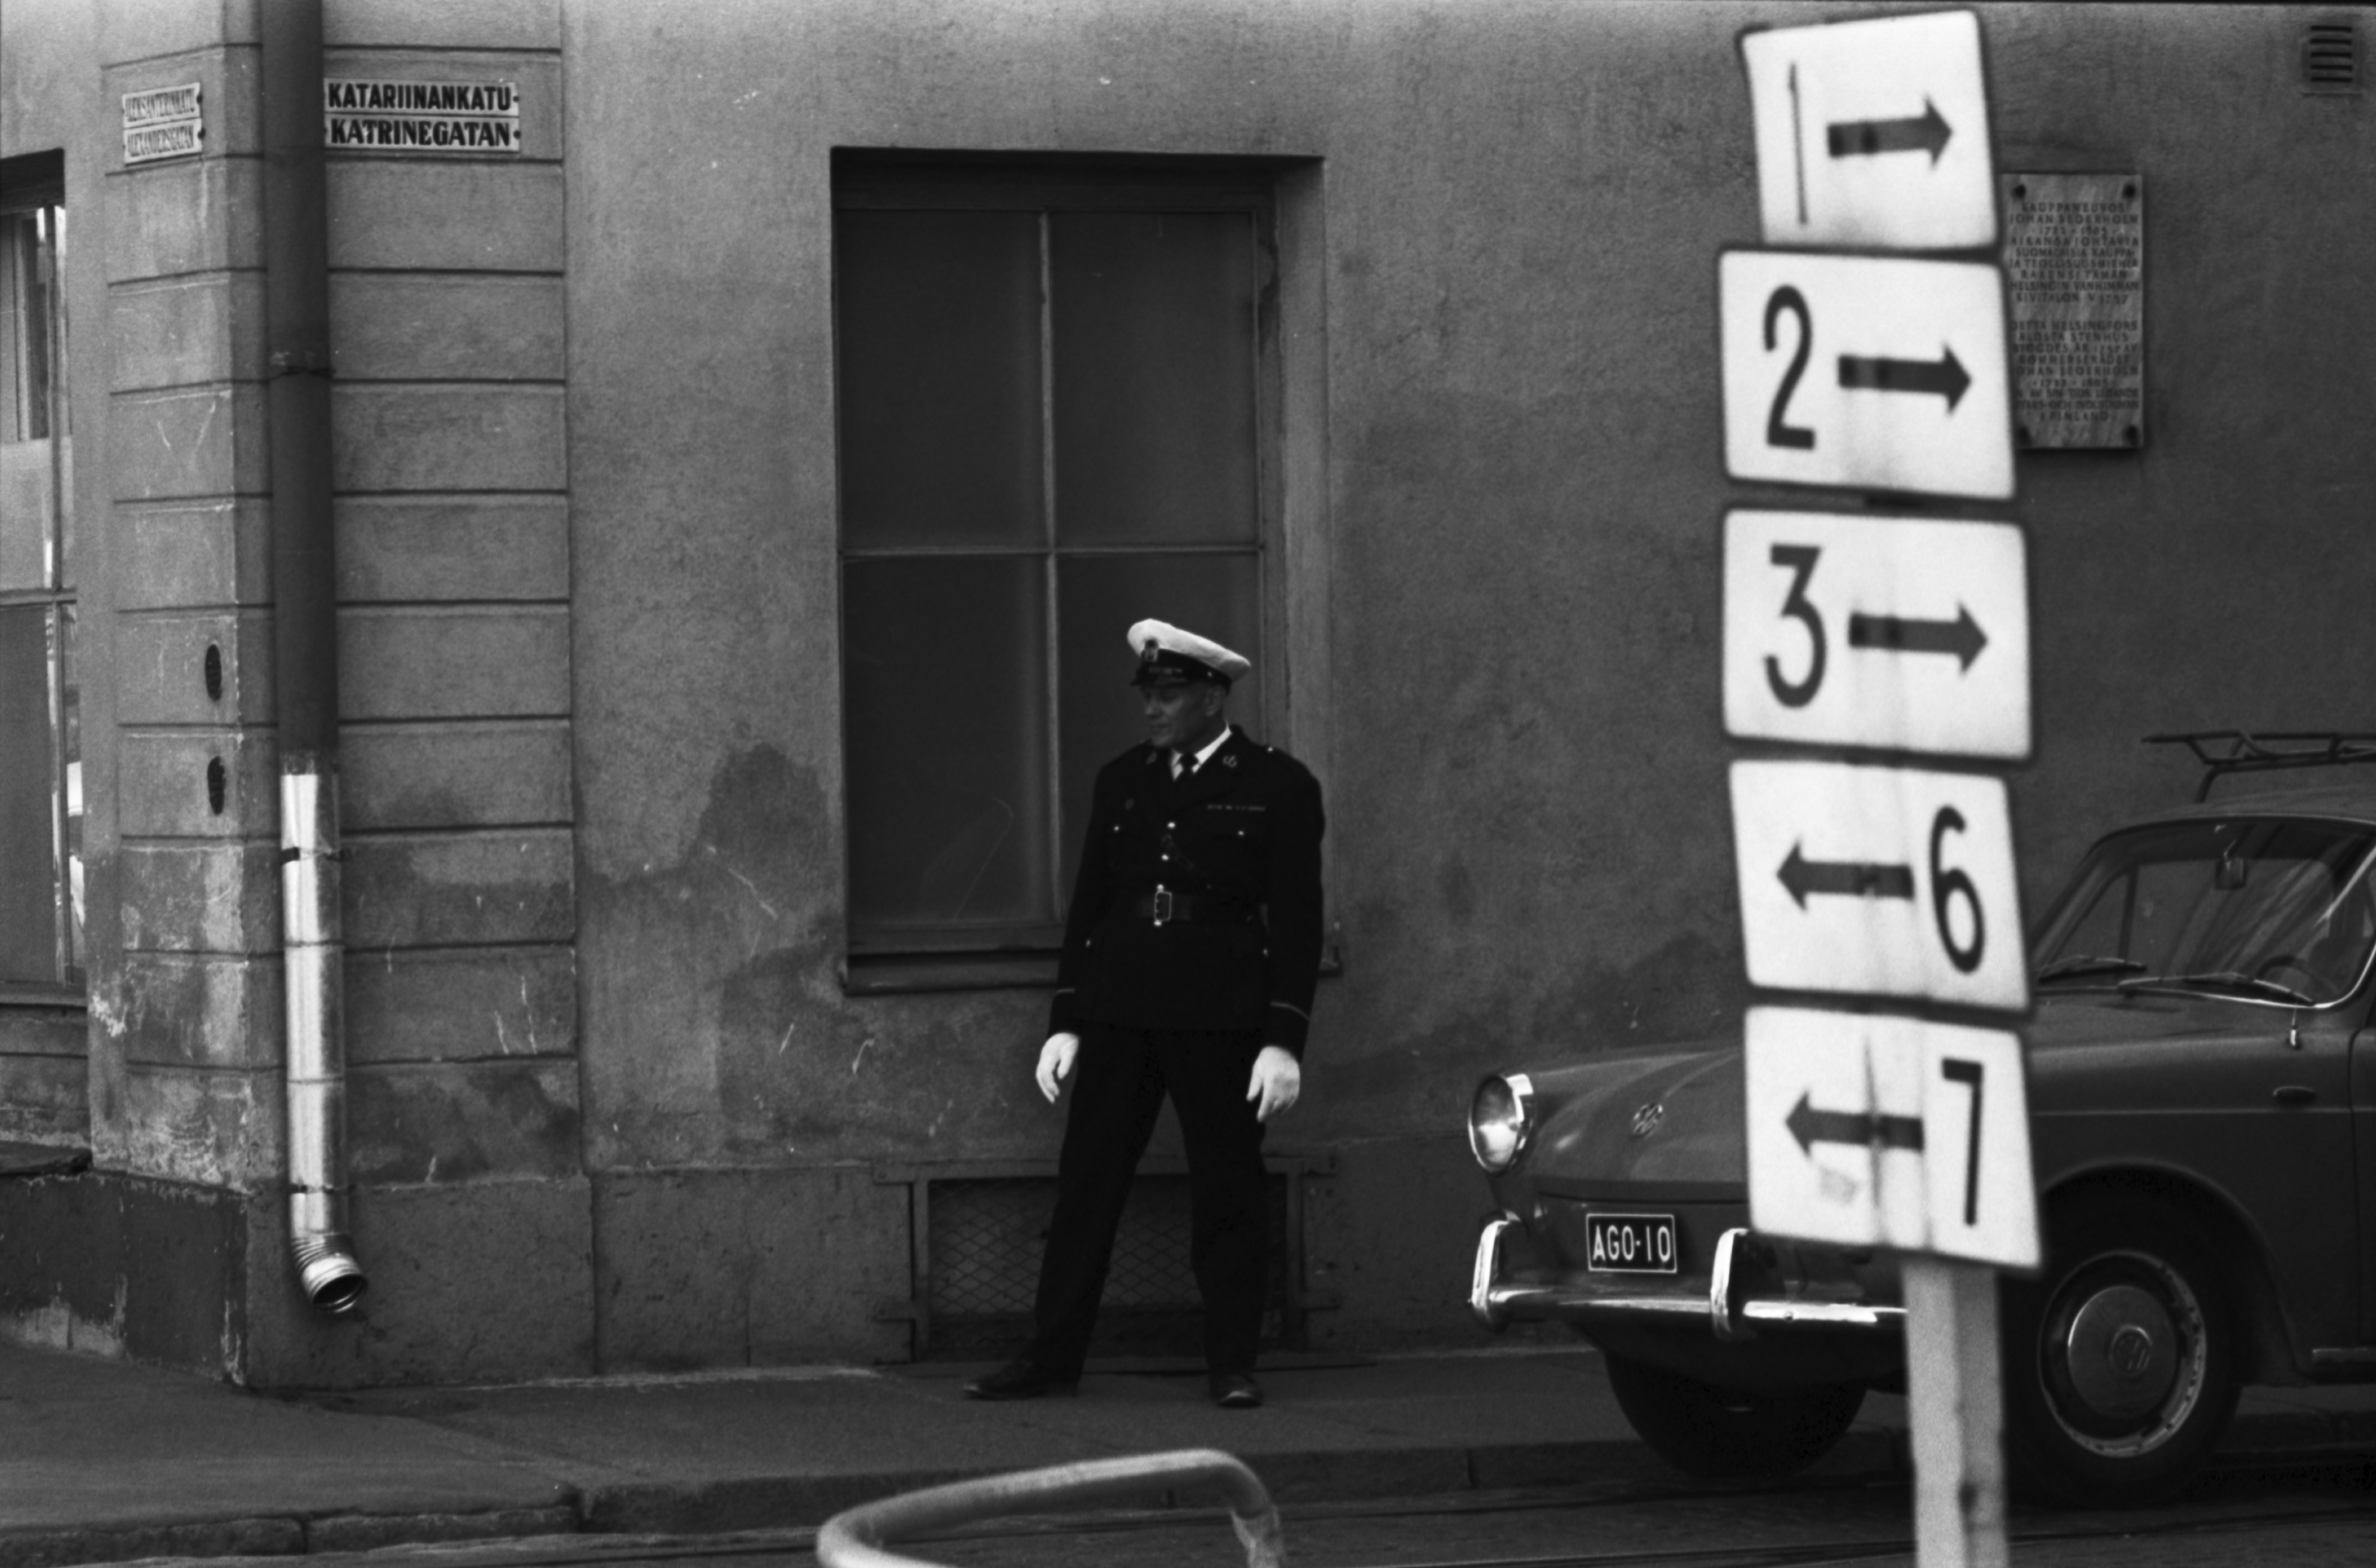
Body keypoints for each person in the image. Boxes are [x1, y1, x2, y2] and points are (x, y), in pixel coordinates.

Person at [965, 618, 1325, 1410]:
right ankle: (1051, 1354)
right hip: (1122, 1008)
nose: (1153, 709)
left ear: (1212, 696)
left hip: (1221, 1013)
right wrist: (1066, 1019)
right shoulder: (1123, 780)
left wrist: (1283, 1041)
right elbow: (1091, 905)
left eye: (1168, 695)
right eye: (1149, 695)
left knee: (1228, 1190)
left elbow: (1297, 925)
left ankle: (1233, 1361)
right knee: (1086, 1186)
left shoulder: (1277, 785)